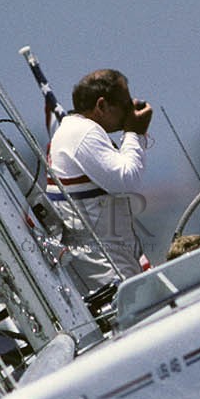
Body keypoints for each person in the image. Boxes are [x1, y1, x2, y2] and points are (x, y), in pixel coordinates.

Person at [46, 68, 154, 291]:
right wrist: (135, 133)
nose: (130, 110)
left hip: (107, 261)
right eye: (125, 104)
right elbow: (127, 180)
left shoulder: (75, 130)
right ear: (102, 106)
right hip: (107, 267)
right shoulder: (83, 133)